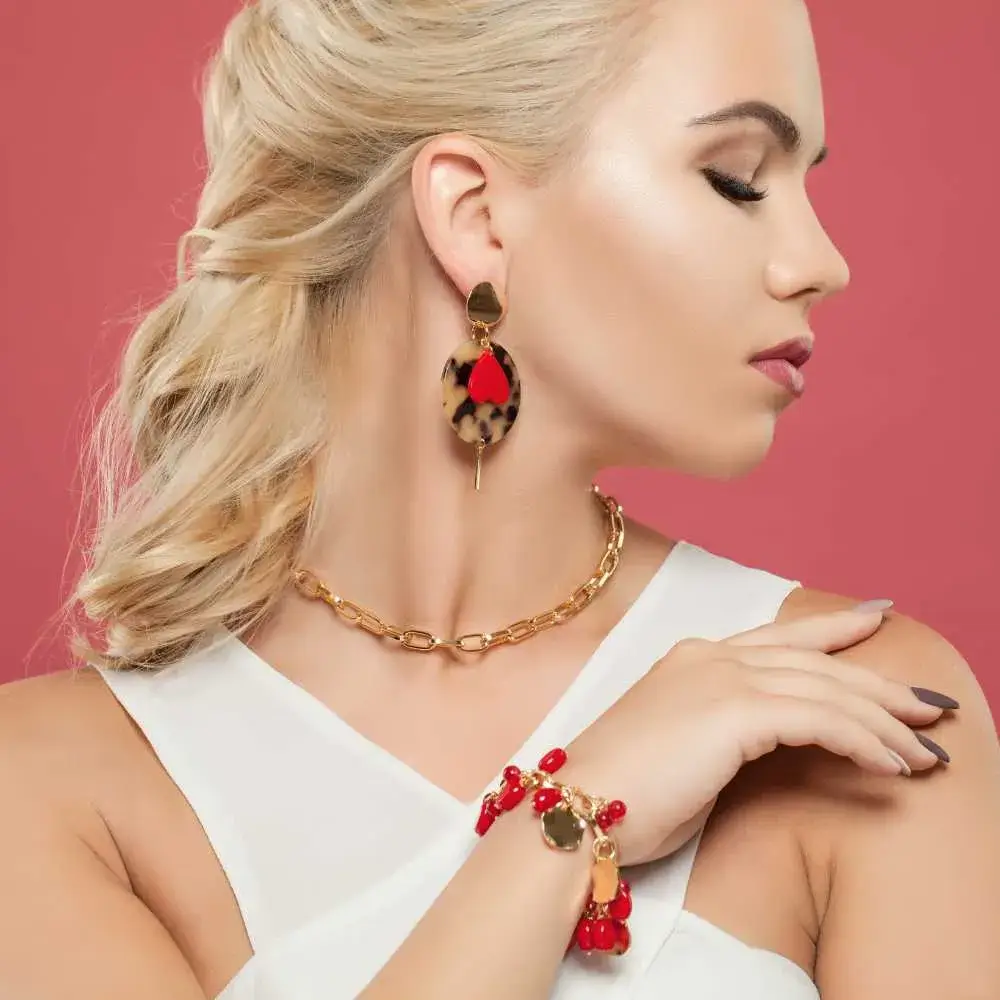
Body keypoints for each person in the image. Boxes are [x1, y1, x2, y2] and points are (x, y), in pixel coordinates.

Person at [3, 0, 999, 997]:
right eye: (736, 179)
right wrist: (565, 816)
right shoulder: (52, 788)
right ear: (474, 216)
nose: (822, 263)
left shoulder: (855, 712)